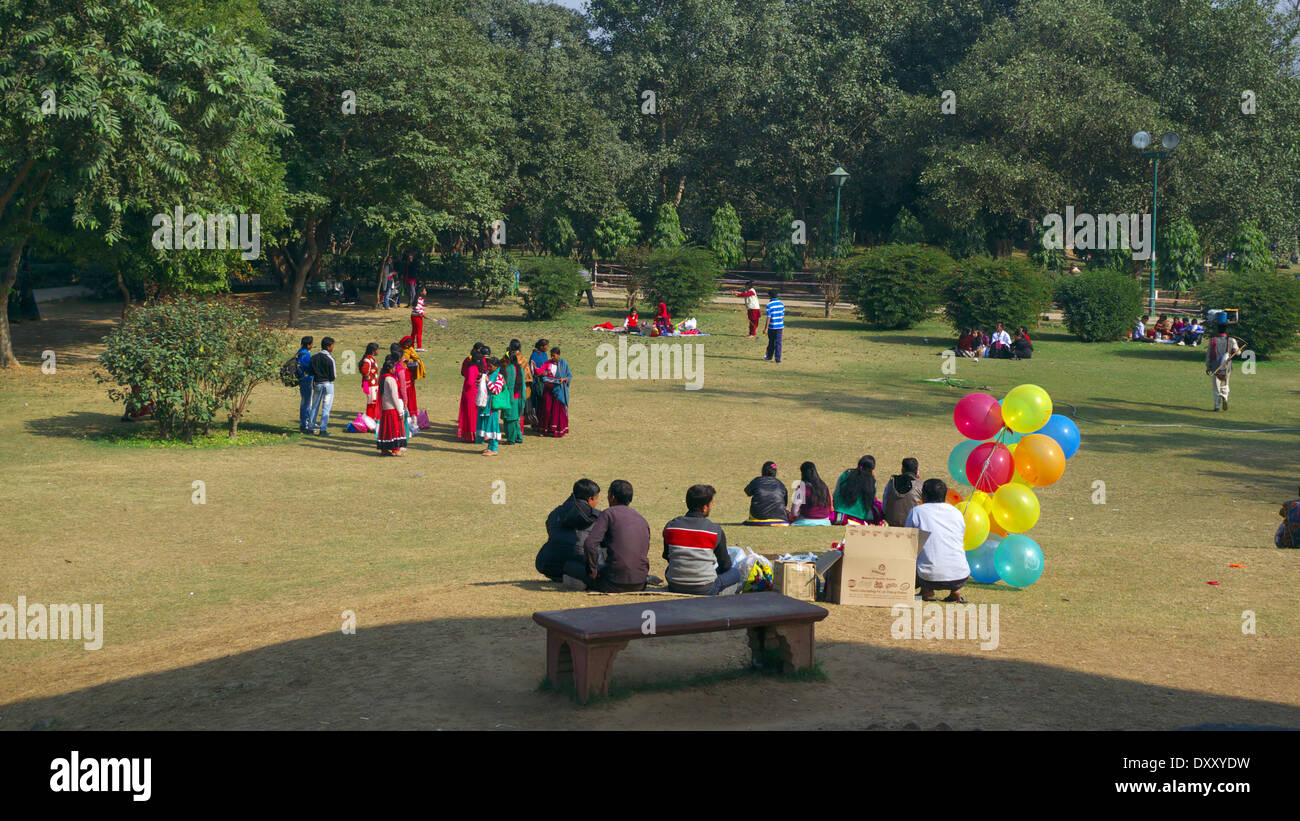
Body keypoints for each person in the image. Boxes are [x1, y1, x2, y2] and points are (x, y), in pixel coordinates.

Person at [571, 479, 651, 592]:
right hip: (640, 583)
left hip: (613, 583)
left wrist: (593, 571)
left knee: (570, 566)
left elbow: (590, 544)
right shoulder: (641, 519)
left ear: (612, 497)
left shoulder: (608, 514)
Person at [663, 484, 742, 594]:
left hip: (675, 585)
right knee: (735, 573)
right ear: (704, 507)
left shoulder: (671, 526)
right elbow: (725, 565)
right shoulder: (715, 530)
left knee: (669, 569)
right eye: (711, 504)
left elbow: (667, 556)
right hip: (706, 588)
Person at [906, 479, 970, 602]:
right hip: (961, 576)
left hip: (927, 576)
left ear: (923, 495)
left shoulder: (917, 512)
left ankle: (926, 590)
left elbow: (908, 541)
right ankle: (955, 591)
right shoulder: (956, 513)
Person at [536, 479, 602, 581]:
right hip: (579, 562)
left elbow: (551, 530)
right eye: (597, 498)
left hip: (548, 563)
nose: (597, 502)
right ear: (590, 499)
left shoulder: (555, 513)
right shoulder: (597, 517)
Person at [832, 455, 886, 525]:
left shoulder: (846, 474)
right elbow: (871, 502)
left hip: (838, 515)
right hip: (858, 518)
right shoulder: (872, 482)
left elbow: (836, 493)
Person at [376, 354, 408, 456]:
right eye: (394, 368)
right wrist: (400, 411)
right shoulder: (391, 380)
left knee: (386, 430)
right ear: (390, 369)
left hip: (385, 408)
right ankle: (395, 449)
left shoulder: (382, 379)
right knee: (395, 429)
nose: (395, 369)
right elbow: (394, 397)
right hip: (392, 408)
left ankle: (384, 449)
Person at [1205, 323, 1241, 412]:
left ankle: (1217, 405)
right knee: (1225, 383)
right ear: (1226, 330)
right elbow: (1238, 353)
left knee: (1216, 386)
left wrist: (1208, 366)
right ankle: (1224, 396)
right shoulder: (1231, 340)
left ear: (1217, 330)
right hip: (1227, 366)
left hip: (1215, 366)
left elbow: (1208, 355)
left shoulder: (1212, 340)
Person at [475, 350, 505, 456]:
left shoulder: (499, 377)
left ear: (496, 367)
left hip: (492, 406)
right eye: (488, 366)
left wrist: (487, 381)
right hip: (485, 405)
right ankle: (490, 447)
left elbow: (496, 390)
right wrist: (480, 379)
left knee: (493, 426)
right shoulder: (487, 374)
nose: (489, 368)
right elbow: (477, 385)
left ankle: (494, 449)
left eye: (491, 366)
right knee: (487, 425)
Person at [307, 337, 337, 435]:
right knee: (326, 408)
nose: (333, 348)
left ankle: (311, 427)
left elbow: (310, 371)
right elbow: (333, 376)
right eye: (332, 346)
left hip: (317, 384)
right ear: (328, 347)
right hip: (328, 385)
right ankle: (323, 429)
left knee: (314, 406)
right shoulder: (330, 359)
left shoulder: (314, 357)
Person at [789, 462, 834, 526]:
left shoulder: (802, 488)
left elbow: (794, 512)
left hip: (806, 521)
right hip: (825, 521)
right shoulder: (825, 486)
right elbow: (831, 507)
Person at [882, 458, 922, 527]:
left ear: (902, 470)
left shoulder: (891, 483)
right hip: (912, 527)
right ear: (917, 471)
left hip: (892, 525)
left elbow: (884, 507)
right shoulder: (920, 485)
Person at [457, 343, 485, 442]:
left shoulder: (472, 368)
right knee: (477, 415)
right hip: (478, 393)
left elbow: (469, 382)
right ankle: (479, 435)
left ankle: (471, 436)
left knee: (470, 416)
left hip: (470, 394)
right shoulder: (481, 367)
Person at [541, 347, 572, 438]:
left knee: (558, 411)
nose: (552, 357)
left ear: (558, 355)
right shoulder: (548, 363)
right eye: (551, 356)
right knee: (547, 409)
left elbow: (569, 375)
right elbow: (545, 372)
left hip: (559, 390)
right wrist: (544, 374)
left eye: (554, 356)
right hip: (548, 389)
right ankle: (546, 429)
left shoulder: (563, 364)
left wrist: (564, 379)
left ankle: (557, 431)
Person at [500, 340, 526, 445]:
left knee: (509, 419)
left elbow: (507, 385)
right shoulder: (519, 367)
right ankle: (518, 437)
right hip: (518, 397)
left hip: (510, 398)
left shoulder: (509, 369)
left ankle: (511, 439)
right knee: (515, 419)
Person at [400, 336, 425, 425]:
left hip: (409, 375)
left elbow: (417, 360)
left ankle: (412, 415)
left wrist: (409, 360)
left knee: (410, 395)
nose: (407, 346)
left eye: (409, 344)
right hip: (400, 374)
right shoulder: (398, 349)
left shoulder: (411, 350)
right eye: (406, 344)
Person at [527, 339, 549, 432]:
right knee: (537, 403)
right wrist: (540, 373)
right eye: (546, 346)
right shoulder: (534, 355)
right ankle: (536, 423)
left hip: (544, 382)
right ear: (541, 346)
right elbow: (531, 370)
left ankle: (542, 422)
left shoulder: (544, 354)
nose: (547, 347)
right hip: (537, 383)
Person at [295, 336, 314, 432]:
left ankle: (307, 421)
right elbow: (310, 367)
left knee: (305, 401)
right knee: (306, 402)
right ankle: (305, 424)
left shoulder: (300, 352)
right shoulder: (306, 355)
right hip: (306, 379)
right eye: (311, 344)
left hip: (302, 379)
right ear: (308, 345)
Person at [360, 342, 380, 421]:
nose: (378, 351)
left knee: (373, 403)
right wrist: (367, 376)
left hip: (373, 384)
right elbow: (364, 370)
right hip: (371, 385)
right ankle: (370, 420)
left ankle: (372, 419)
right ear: (373, 351)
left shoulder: (370, 359)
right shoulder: (368, 360)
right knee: (371, 403)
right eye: (377, 350)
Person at [763, 290, 785, 363]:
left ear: (769, 296)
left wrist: (765, 329)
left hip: (772, 327)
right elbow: (782, 316)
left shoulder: (769, 305)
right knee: (778, 343)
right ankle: (778, 359)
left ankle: (769, 356)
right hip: (780, 327)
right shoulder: (782, 304)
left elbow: (768, 317)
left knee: (771, 342)